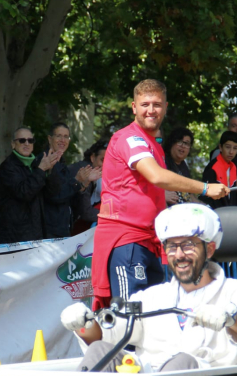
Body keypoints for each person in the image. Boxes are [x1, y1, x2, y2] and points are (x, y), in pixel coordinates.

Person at [62, 204, 237, 372]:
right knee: (99, 350)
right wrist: (83, 324)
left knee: (183, 361)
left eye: (188, 245)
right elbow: (110, 333)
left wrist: (232, 319)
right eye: (172, 246)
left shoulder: (236, 292)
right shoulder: (152, 297)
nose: (179, 254)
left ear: (210, 249)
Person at [91, 79, 228, 310]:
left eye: (157, 104)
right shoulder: (130, 137)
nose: (151, 110)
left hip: (149, 240)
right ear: (134, 107)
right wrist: (205, 188)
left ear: (165, 107)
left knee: (154, 315)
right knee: (129, 317)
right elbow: (155, 176)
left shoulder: (152, 143)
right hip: (127, 240)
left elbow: (149, 186)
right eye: (145, 104)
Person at [0, 126, 61, 243]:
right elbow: (24, 192)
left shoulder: (37, 164)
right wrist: (41, 170)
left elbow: (53, 193)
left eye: (30, 140)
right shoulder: (8, 166)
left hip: (36, 233)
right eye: (22, 140)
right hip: (14, 236)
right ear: (13, 144)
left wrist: (50, 170)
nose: (27, 143)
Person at [42, 122, 98, 238]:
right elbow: (55, 196)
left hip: (62, 229)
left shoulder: (61, 163)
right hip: (48, 231)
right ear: (49, 138)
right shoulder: (45, 161)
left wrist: (84, 183)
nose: (63, 140)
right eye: (59, 136)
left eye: (66, 136)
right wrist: (77, 180)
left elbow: (70, 199)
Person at [69, 139, 105, 234]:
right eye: (103, 160)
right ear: (93, 157)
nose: (106, 164)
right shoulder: (86, 172)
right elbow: (85, 212)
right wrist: (111, 218)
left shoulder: (91, 170)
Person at [202, 131, 237, 209]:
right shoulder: (213, 167)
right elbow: (207, 195)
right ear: (220, 147)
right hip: (216, 211)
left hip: (229, 211)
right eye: (228, 147)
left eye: (235, 148)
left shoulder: (233, 167)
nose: (231, 152)